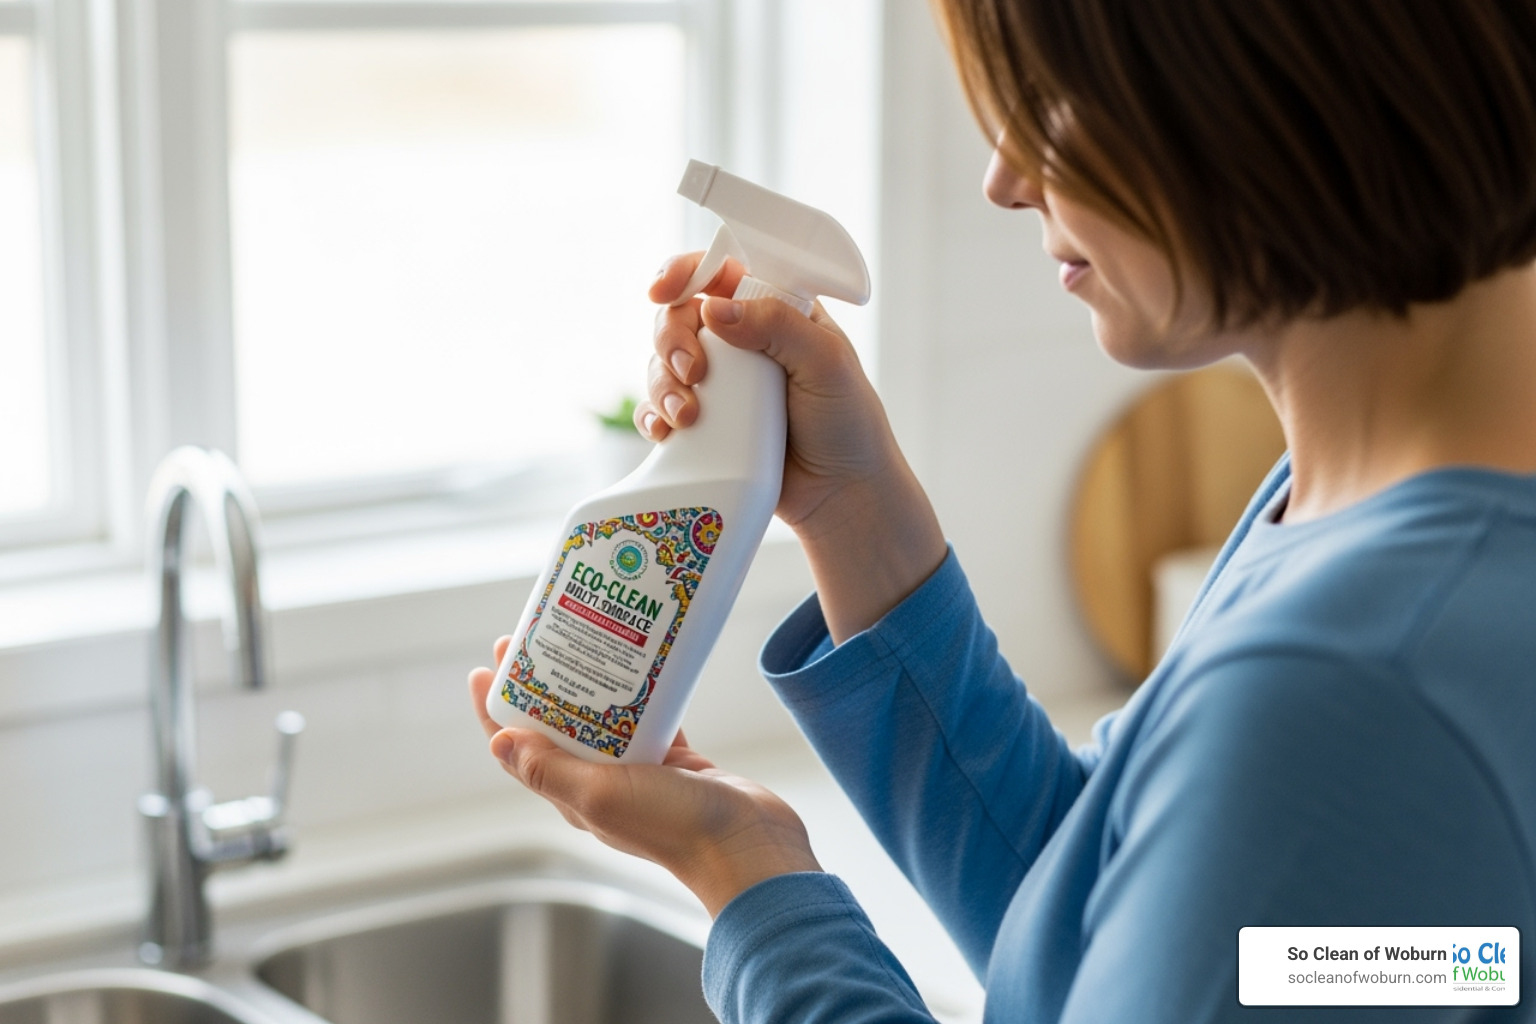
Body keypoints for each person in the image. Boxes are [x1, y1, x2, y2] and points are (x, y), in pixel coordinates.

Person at [469, 2, 1536, 1020]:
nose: (1006, 179)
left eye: (1050, 97)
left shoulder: (1352, 685)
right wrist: (851, 509)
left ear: (1261, 67)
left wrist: (745, 877)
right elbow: (1151, 933)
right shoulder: (1363, 518)